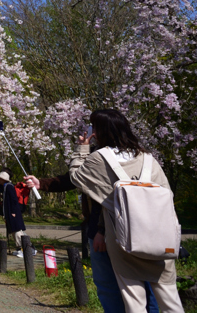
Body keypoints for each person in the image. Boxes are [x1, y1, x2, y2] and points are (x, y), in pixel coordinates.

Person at [69, 109, 184, 313]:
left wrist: (82, 148)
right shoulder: (148, 158)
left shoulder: (99, 158)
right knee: (169, 299)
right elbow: (168, 196)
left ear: (99, 131)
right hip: (160, 236)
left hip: (125, 237)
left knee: (134, 300)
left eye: (94, 127)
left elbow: (77, 176)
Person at [23, 171, 159, 313]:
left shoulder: (99, 156)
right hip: (132, 228)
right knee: (128, 284)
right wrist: (43, 183)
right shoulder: (141, 157)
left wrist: (101, 230)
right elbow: (77, 176)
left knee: (124, 285)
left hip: (116, 229)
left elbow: (102, 193)